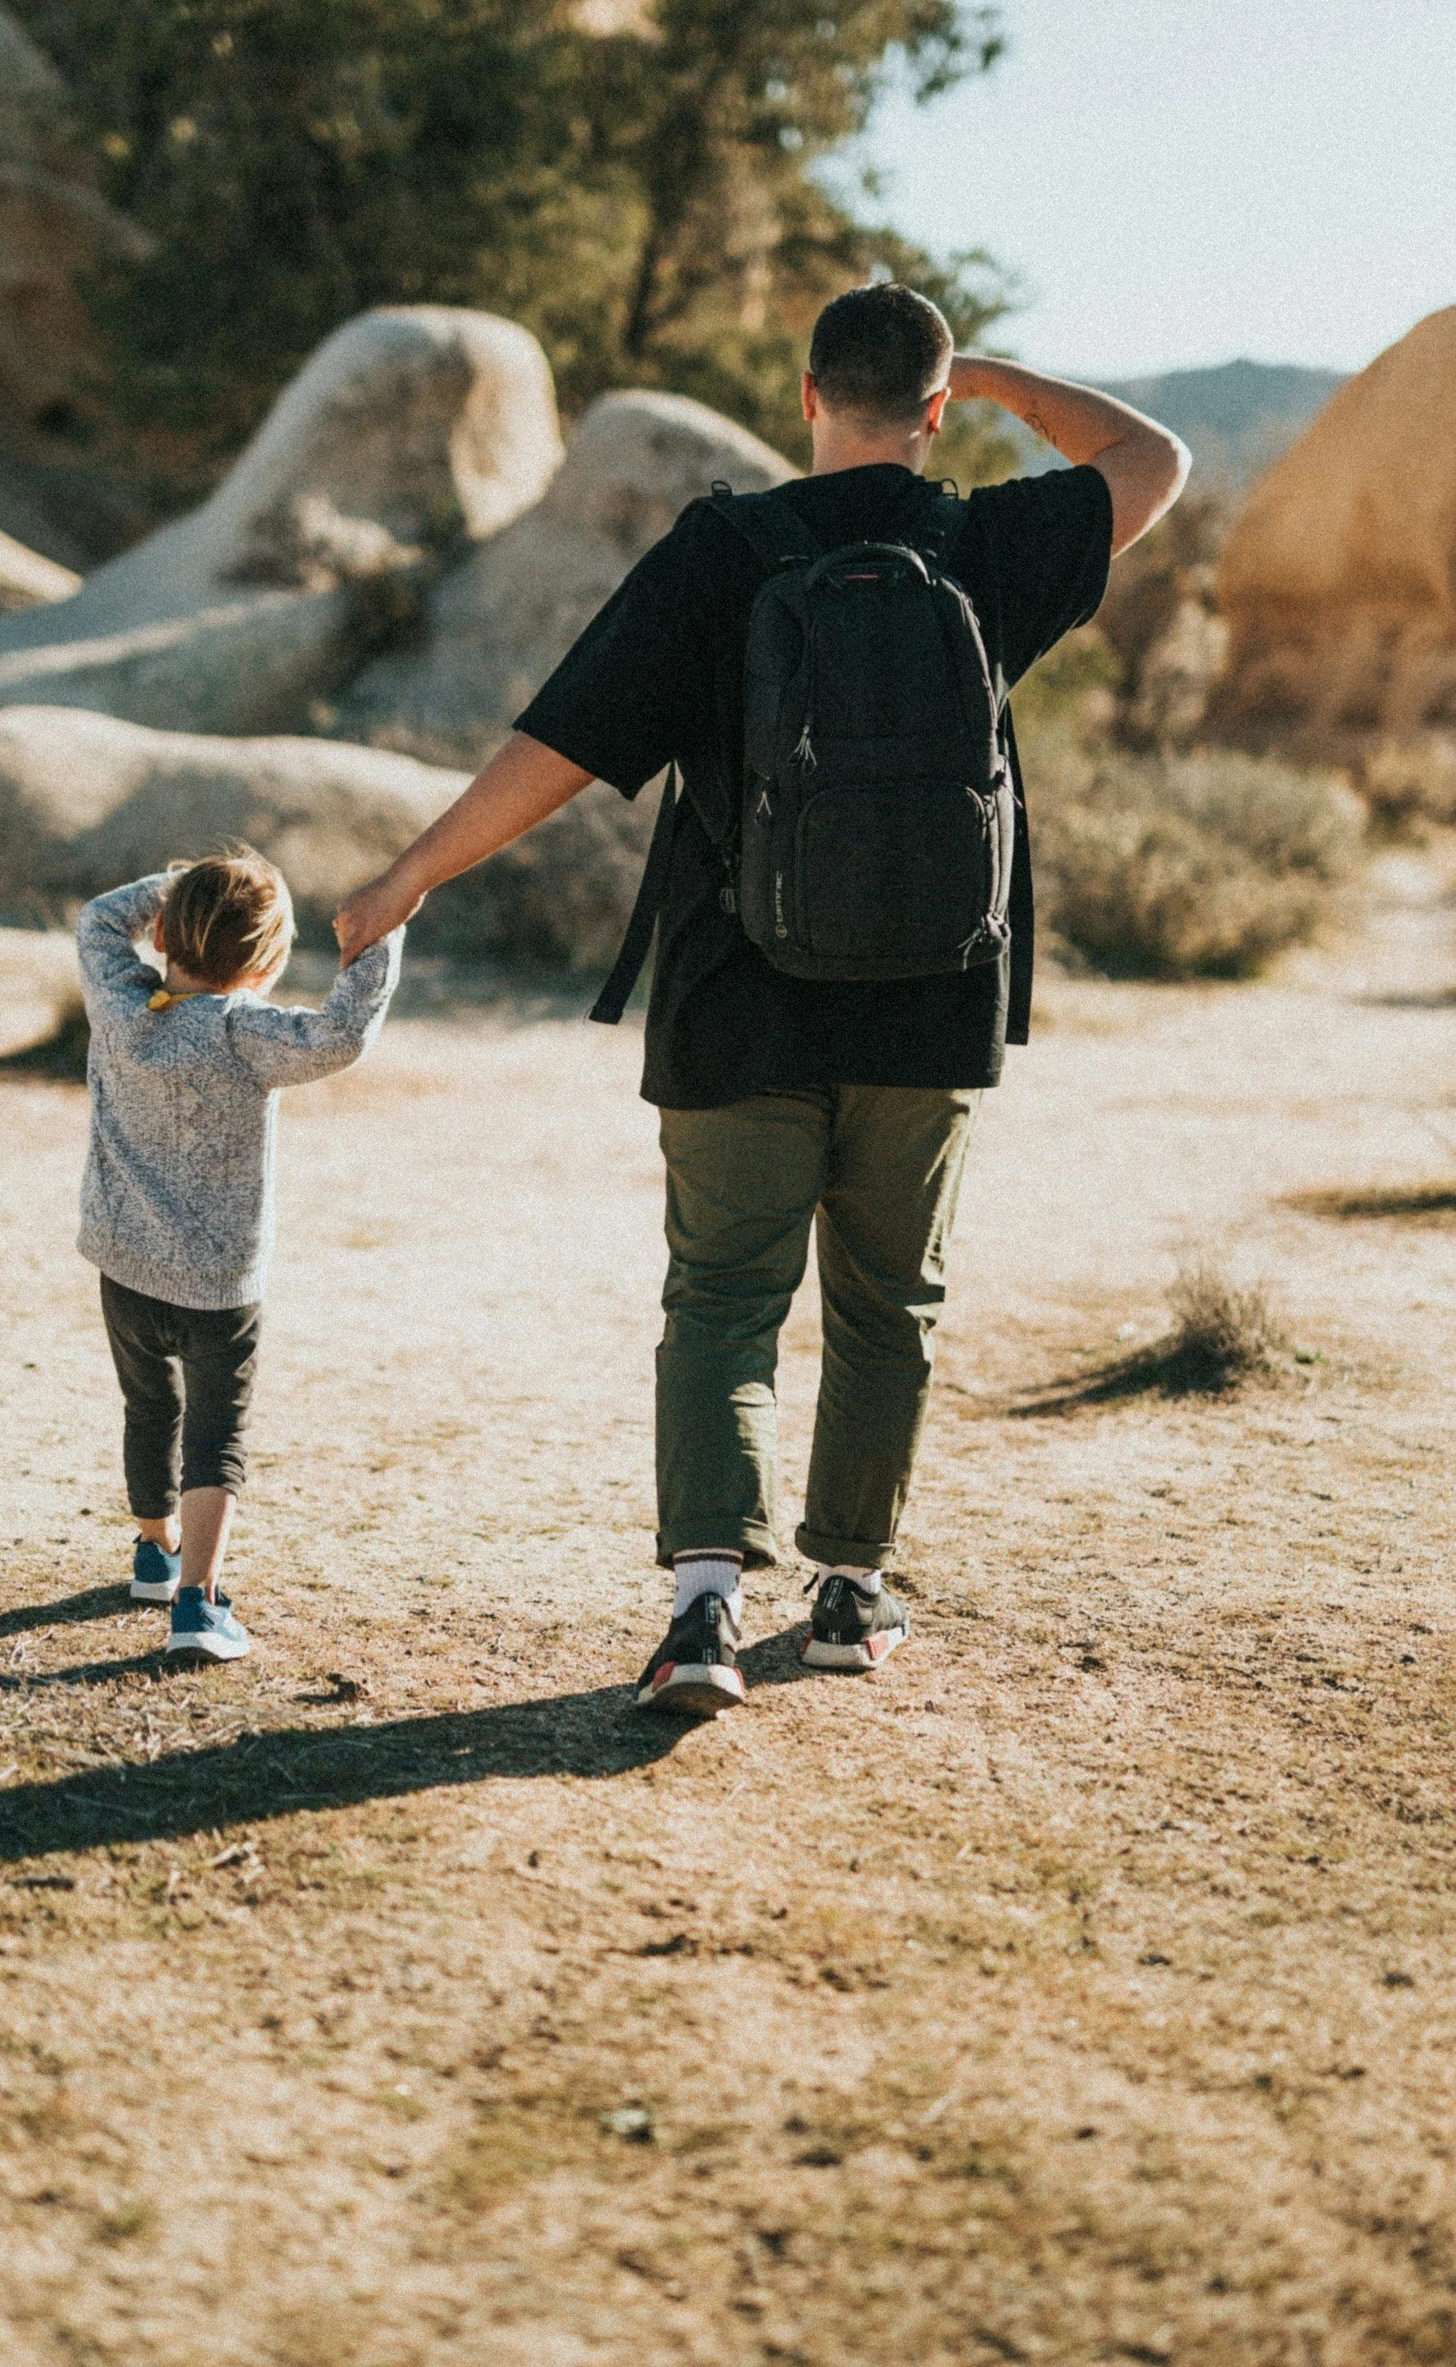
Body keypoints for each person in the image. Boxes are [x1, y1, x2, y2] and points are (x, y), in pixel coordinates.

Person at [332, 283, 1188, 1715]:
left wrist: (409, 876)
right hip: (932, 1002)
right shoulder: (985, 544)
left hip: (737, 993)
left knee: (724, 1299)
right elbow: (1153, 457)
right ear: (926, 409)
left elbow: (561, 741)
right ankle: (849, 1593)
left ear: (804, 395)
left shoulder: (722, 550)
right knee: (885, 1301)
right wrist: (987, 381)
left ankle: (702, 1615)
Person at [76, 849, 401, 1661]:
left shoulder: (120, 1005)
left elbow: (95, 920)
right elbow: (341, 1035)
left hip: (123, 1267)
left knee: (150, 1410)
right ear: (263, 960)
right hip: (221, 1289)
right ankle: (199, 1601)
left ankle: (155, 1553)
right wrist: (380, 939)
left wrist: (175, 885)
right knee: (216, 1433)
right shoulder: (244, 1032)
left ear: (168, 931)